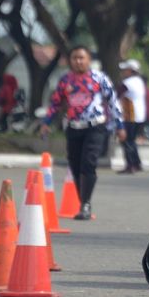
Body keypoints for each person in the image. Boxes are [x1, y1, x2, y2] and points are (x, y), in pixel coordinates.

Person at [40, 46, 126, 220]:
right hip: (73, 127)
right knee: (75, 165)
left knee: (88, 163)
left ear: (88, 60)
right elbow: (56, 102)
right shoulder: (65, 80)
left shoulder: (99, 78)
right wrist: (46, 122)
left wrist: (120, 125)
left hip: (95, 126)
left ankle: (85, 203)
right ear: (70, 61)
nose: (78, 61)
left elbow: (113, 102)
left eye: (82, 58)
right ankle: (82, 200)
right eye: (75, 58)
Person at [117, 59, 146, 173]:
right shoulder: (139, 81)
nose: (123, 72)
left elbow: (116, 94)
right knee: (132, 140)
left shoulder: (128, 82)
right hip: (139, 116)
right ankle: (137, 163)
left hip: (130, 115)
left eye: (125, 70)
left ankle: (130, 165)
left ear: (130, 71)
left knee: (126, 140)